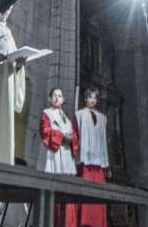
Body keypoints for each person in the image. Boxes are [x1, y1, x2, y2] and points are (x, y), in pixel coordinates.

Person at [0, 6, 26, 165]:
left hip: (7, 81)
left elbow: (13, 57)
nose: (7, 12)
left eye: (10, 10)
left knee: (4, 118)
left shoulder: (8, 32)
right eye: (5, 9)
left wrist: (19, 65)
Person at [42, 88, 78, 227]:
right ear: (50, 99)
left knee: (67, 193)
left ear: (63, 100)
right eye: (54, 96)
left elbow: (74, 136)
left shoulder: (67, 119)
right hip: (55, 155)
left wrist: (71, 139)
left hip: (67, 157)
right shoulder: (47, 114)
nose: (57, 98)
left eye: (60, 96)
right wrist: (62, 137)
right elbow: (45, 131)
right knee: (55, 191)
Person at [76, 88, 109, 227]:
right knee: (86, 194)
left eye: (95, 98)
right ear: (85, 99)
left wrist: (105, 161)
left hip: (99, 162)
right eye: (90, 97)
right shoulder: (79, 115)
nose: (92, 100)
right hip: (86, 161)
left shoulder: (102, 118)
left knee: (99, 196)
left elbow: (103, 140)